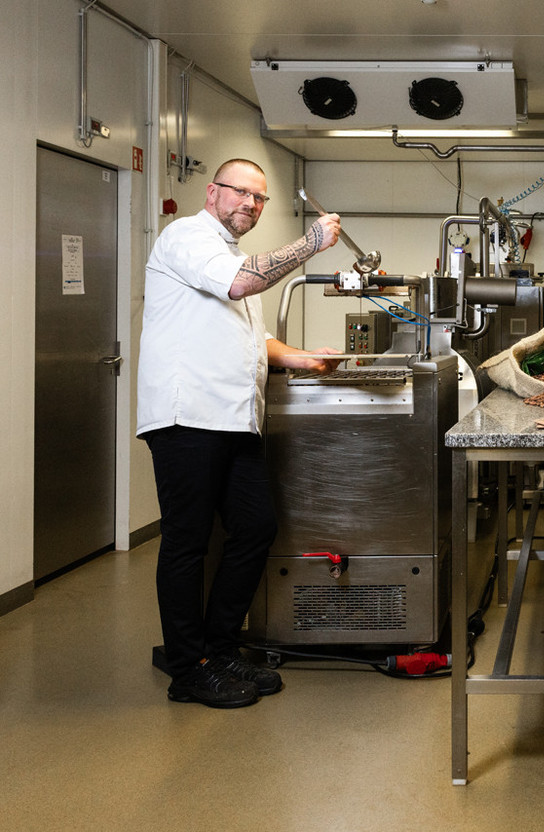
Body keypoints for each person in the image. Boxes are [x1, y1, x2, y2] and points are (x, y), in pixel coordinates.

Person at [137, 158, 343, 708]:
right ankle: (187, 667)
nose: (250, 205)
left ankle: (219, 646)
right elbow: (240, 283)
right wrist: (310, 243)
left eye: (259, 199)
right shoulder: (186, 237)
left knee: (254, 528)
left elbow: (255, 338)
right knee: (187, 542)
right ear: (212, 192)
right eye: (241, 193)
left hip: (234, 419)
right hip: (187, 418)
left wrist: (300, 358)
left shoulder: (233, 257)